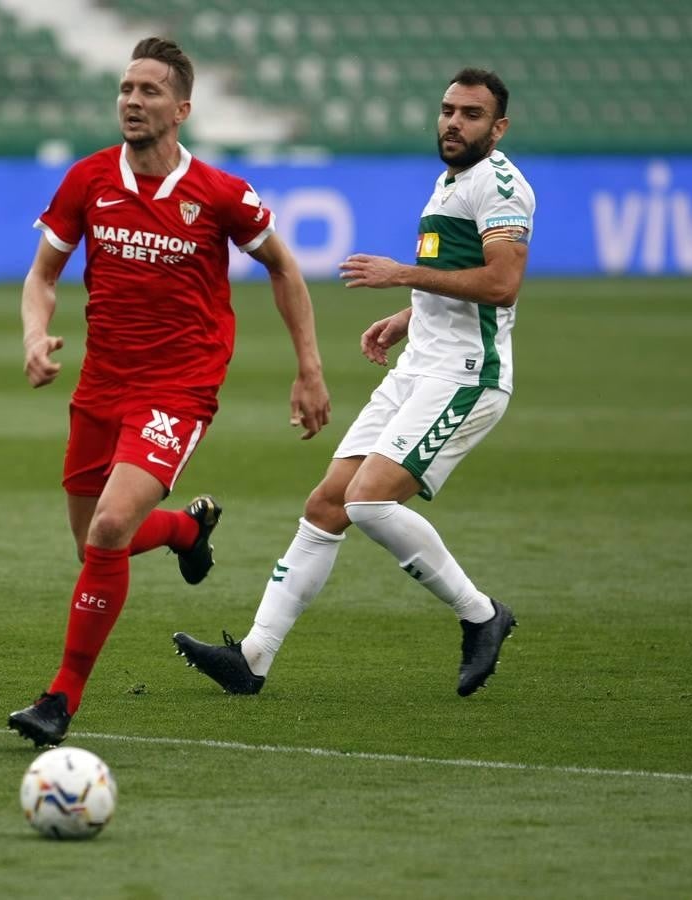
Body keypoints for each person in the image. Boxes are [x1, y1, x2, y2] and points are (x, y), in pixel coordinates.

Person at [8, 37, 330, 747]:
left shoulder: (218, 193)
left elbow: (284, 268)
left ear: (182, 109)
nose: (131, 100)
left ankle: (59, 698)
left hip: (178, 387)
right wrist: (35, 334)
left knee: (109, 531)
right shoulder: (88, 180)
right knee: (91, 542)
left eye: (149, 90)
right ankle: (189, 528)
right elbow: (42, 276)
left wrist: (308, 368)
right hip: (102, 382)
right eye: (126, 88)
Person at [174, 67, 535, 699]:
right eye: (448, 109)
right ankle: (253, 658)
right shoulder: (451, 181)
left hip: (466, 376)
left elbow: (503, 284)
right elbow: (457, 276)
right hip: (420, 365)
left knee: (368, 501)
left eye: (471, 114)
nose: (453, 121)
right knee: (327, 505)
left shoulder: (501, 186)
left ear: (498, 127)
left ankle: (481, 615)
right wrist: (404, 319)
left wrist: (401, 277)